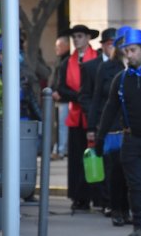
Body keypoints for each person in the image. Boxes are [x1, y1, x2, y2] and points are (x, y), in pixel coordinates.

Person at [95, 29, 141, 236]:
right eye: (126, 51)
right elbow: (109, 109)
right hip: (132, 140)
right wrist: (100, 138)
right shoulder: (120, 79)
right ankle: (139, 226)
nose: (129, 55)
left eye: (133, 50)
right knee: (135, 186)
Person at [88, 27, 131, 226]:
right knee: (115, 172)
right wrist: (93, 129)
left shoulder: (139, 67)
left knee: (132, 173)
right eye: (123, 43)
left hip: (133, 128)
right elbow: (97, 100)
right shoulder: (106, 68)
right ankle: (115, 209)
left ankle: (128, 209)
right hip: (113, 127)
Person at [57, 24, 100, 211]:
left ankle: (97, 197)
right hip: (76, 117)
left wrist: (85, 97)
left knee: (96, 157)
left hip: (93, 116)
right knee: (76, 159)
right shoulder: (67, 62)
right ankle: (79, 197)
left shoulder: (97, 59)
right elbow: (61, 88)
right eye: (74, 37)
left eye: (80, 36)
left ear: (88, 38)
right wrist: (79, 96)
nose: (76, 40)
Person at [80, 27, 117, 213]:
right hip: (103, 122)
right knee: (106, 164)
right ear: (103, 46)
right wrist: (92, 124)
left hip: (121, 124)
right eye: (110, 44)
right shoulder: (93, 67)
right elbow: (90, 97)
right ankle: (107, 202)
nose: (114, 48)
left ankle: (117, 203)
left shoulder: (124, 65)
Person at [51, 35, 70, 160]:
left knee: (63, 126)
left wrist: (59, 92)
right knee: (60, 126)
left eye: (59, 46)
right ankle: (59, 148)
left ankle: (61, 150)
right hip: (60, 98)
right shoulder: (61, 61)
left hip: (65, 99)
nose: (56, 49)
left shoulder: (67, 61)